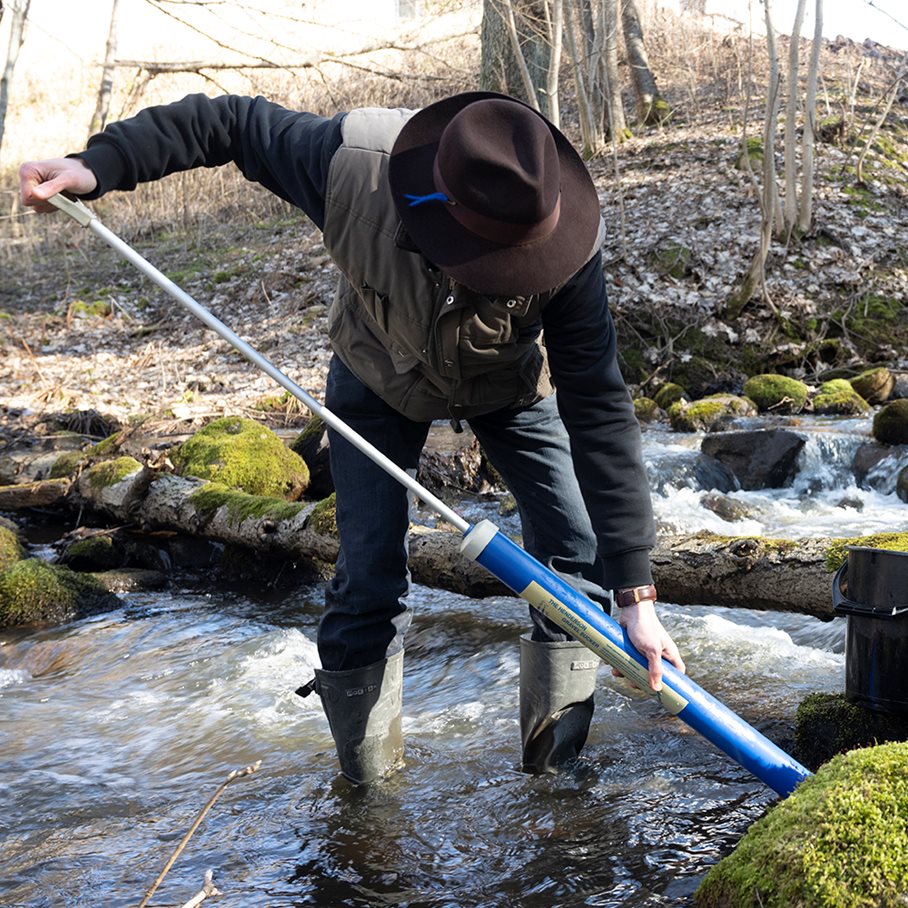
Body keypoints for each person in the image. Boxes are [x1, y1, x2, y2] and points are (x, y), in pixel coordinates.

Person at [20, 90, 685, 785]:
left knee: (575, 559)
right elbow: (229, 124)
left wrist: (635, 594)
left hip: (509, 387)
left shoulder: (568, 241)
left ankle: (554, 781)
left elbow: (599, 407)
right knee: (369, 579)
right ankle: (368, 795)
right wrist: (98, 165)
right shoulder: (352, 166)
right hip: (377, 379)